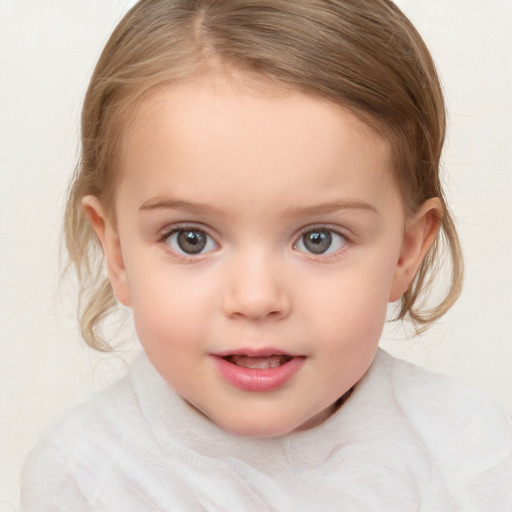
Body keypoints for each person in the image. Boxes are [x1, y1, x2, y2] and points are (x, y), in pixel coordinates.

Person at [20, 0, 512, 510]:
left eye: (319, 238)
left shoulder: (470, 455)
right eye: (191, 238)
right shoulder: (82, 480)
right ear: (117, 252)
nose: (256, 299)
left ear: (406, 252)